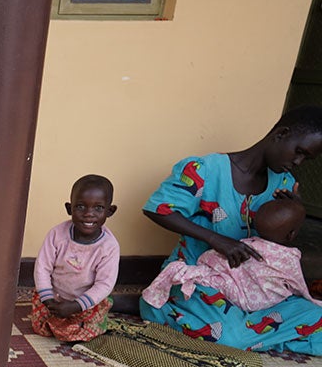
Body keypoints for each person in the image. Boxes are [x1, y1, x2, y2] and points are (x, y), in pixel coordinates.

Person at [139, 105, 322, 353]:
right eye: (298, 152)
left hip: (258, 288)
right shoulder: (203, 170)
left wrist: (295, 215)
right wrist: (216, 239)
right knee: (229, 338)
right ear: (281, 134)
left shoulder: (284, 184)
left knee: (315, 315)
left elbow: (279, 244)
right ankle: (162, 307)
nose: (298, 162)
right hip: (200, 280)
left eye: (306, 159)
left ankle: (245, 332)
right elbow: (157, 209)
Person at [142, 198, 322, 311]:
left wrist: (204, 265)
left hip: (232, 293)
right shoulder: (290, 257)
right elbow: (299, 285)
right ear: (292, 235)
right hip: (258, 303)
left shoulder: (247, 244)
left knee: (210, 274)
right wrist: (311, 299)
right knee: (305, 309)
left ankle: (181, 277)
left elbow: (216, 258)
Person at [31, 174, 120, 342]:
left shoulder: (109, 246)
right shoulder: (57, 235)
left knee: (86, 330)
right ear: (68, 208)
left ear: (110, 211)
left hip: (85, 302)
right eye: (80, 206)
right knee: (40, 325)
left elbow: (104, 284)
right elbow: (42, 267)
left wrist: (76, 306)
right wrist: (48, 298)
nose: (88, 214)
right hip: (54, 296)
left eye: (98, 208)